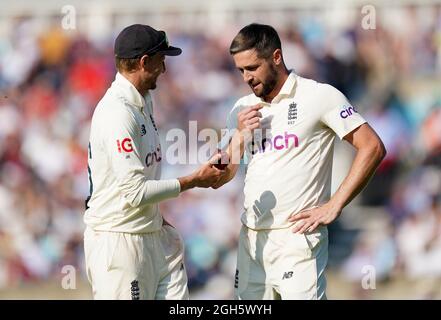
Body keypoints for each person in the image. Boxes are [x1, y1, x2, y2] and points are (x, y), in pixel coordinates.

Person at [213, 23, 386, 299]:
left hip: (297, 238)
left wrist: (335, 204)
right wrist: (238, 138)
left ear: (277, 57)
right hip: (252, 240)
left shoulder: (319, 96)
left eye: (253, 68)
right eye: (241, 70)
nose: (246, 77)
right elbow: (220, 176)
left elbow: (372, 147)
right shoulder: (241, 109)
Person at [83, 24, 225, 300]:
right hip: (119, 241)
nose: (165, 68)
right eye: (161, 60)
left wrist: (157, 219)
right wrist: (195, 180)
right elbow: (135, 192)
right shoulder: (117, 113)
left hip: (151, 235)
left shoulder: (143, 101)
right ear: (144, 62)